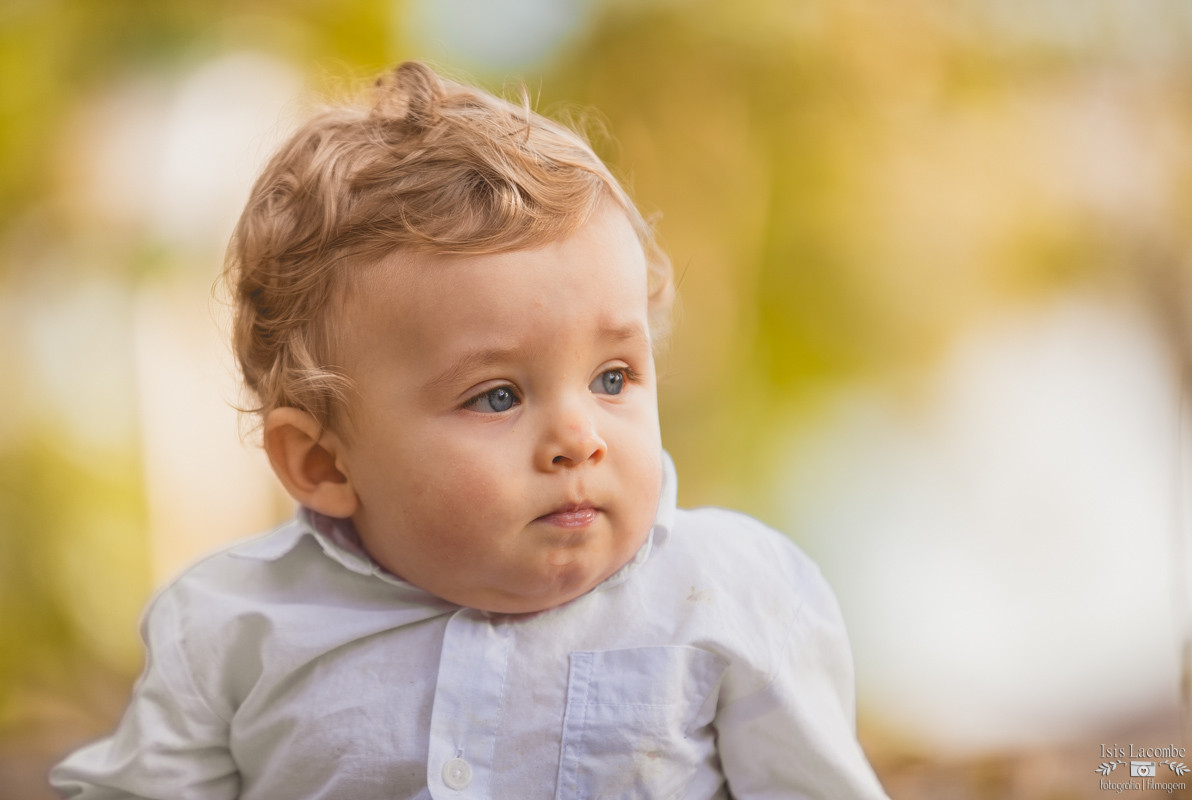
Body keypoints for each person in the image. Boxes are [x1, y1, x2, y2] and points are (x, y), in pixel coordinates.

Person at [51, 61, 890, 799]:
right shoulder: (234, 628)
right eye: (495, 397)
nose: (579, 438)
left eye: (613, 379)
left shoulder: (729, 596)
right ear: (320, 461)